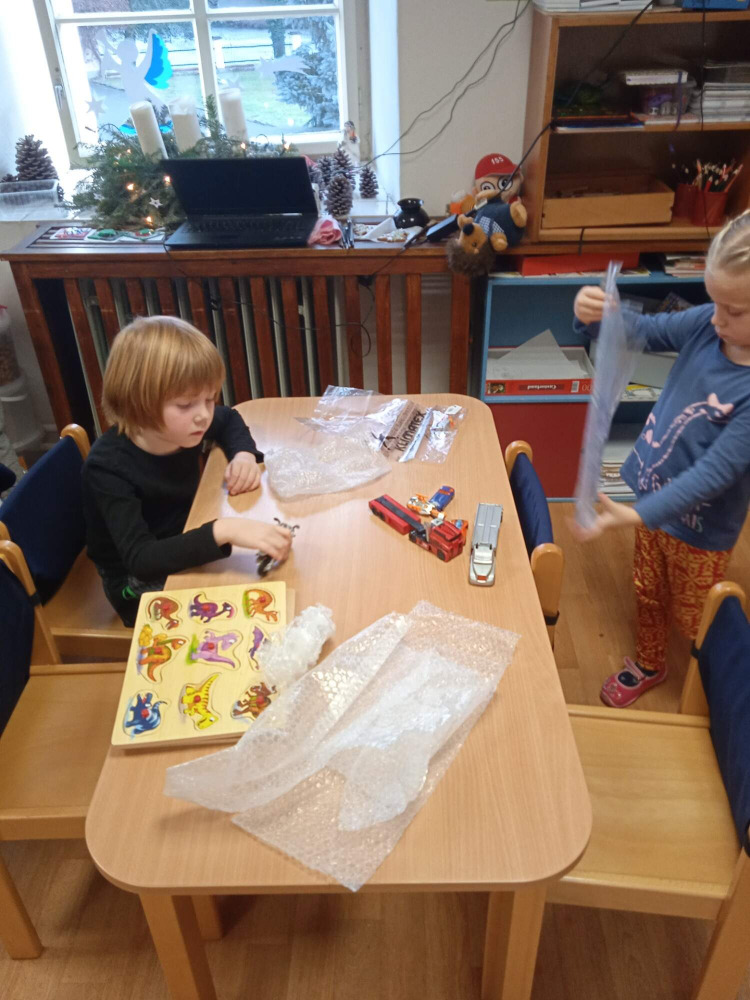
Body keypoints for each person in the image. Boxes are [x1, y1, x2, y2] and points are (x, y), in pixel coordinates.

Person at [573, 210, 750, 707]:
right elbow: (642, 330)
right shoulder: (708, 326)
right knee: (648, 592)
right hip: (651, 504)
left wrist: (639, 513)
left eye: (734, 311)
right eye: (715, 302)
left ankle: (712, 687)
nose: (716, 318)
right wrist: (595, 314)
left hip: (700, 530)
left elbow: (715, 473)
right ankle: (650, 663)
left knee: (699, 618)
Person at [82, 315, 292, 627]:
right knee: (246, 614)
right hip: (133, 584)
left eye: (209, 399)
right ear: (138, 401)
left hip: (183, 532)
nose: (203, 415)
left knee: (275, 583)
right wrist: (224, 530)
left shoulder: (181, 427)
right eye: (185, 405)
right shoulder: (107, 468)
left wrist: (244, 455)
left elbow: (229, 419)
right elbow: (141, 559)